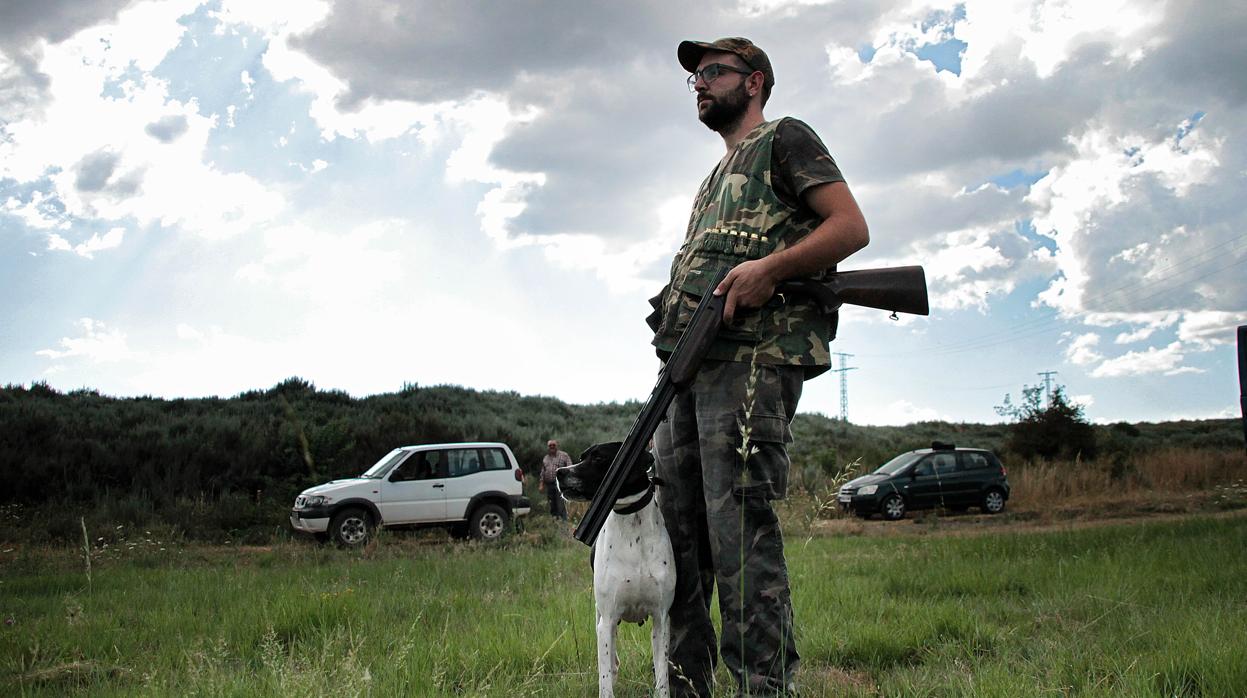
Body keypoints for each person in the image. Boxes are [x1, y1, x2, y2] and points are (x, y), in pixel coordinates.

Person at [649, 37, 869, 696]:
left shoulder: (785, 139)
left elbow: (849, 227)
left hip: (752, 363)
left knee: (739, 537)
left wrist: (771, 270)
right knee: (677, 540)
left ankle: (763, 690)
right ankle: (687, 687)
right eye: (692, 75)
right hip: (688, 372)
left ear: (754, 81)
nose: (698, 82)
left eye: (712, 71)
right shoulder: (713, 179)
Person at [539, 439, 571, 520]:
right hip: (549, 484)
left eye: (554, 445)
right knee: (552, 503)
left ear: (557, 446)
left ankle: (564, 521)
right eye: (550, 445)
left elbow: (570, 467)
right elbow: (543, 472)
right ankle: (555, 520)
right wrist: (541, 484)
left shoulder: (564, 455)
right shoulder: (545, 458)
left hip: (560, 483)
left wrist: (568, 481)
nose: (552, 447)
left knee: (560, 503)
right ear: (548, 447)